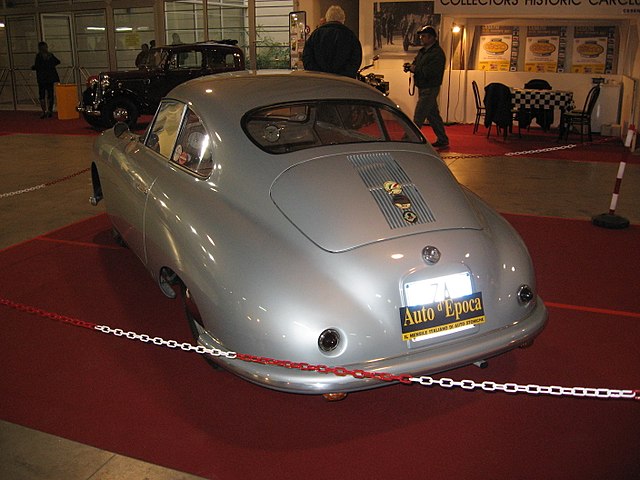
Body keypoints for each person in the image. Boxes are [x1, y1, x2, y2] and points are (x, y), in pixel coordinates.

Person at [408, 25, 449, 149]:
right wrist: (412, 66)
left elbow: (431, 71)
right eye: (421, 36)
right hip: (424, 86)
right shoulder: (424, 51)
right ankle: (442, 139)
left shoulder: (437, 53)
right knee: (433, 115)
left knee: (419, 115)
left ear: (432, 38)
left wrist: (415, 69)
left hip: (430, 87)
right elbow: (417, 63)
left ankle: (409, 139)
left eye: (424, 36)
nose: (421, 38)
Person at [302, 5, 362, 78]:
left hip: (320, 81)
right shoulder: (351, 36)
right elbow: (355, 60)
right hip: (343, 83)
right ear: (343, 19)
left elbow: (307, 58)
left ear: (327, 19)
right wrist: (343, 75)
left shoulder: (316, 35)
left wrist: (317, 74)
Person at [31, 41, 60, 119]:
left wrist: (33, 67)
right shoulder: (50, 55)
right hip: (50, 78)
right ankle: (50, 110)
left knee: (42, 95)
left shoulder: (39, 56)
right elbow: (58, 61)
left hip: (41, 78)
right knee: (50, 94)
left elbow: (37, 66)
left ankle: (44, 111)